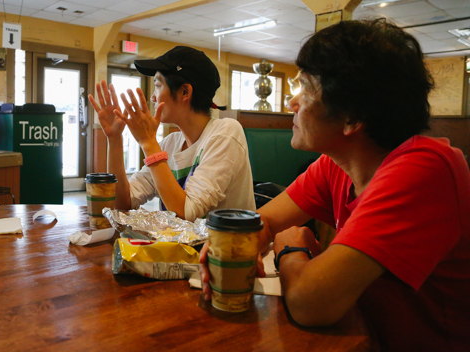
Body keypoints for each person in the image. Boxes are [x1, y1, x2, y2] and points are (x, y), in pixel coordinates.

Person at [198, 19, 470, 351]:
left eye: (305, 88)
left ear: (353, 116)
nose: (291, 104)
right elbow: (262, 223)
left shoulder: (427, 169)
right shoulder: (336, 163)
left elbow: (309, 303)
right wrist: (232, 246)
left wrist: (291, 248)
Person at [89, 46, 255, 222]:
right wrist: (114, 139)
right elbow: (123, 202)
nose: (152, 97)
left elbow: (187, 213)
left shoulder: (226, 133)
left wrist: (148, 143)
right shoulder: (171, 143)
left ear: (185, 92)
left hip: (225, 248)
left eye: (158, 86)